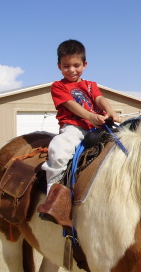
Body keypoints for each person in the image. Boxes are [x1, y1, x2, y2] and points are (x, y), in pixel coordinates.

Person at [38, 39, 120, 222]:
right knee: (59, 151)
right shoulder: (58, 86)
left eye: (76, 65)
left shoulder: (90, 85)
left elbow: (100, 100)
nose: (72, 70)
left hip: (97, 128)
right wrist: (91, 117)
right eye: (66, 66)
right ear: (59, 66)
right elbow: (71, 105)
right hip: (74, 128)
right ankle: (53, 196)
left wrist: (111, 112)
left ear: (85, 64)